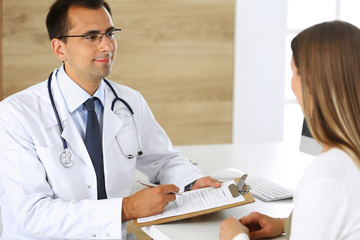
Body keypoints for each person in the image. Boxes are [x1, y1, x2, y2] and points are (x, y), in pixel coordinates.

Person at [0, 0, 220, 239]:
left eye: (109, 33)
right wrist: (126, 208)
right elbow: (30, 214)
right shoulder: (16, 114)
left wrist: (191, 182)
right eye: (91, 37)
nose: (107, 46)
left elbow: (164, 160)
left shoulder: (129, 101)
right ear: (59, 48)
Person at [220, 20, 360, 240]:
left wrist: (236, 237)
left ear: (311, 84)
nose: (291, 84)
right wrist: (285, 223)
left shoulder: (328, 176)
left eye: (294, 73)